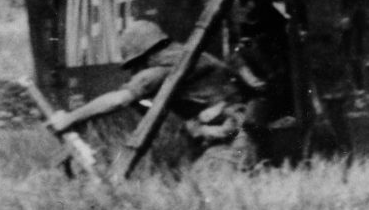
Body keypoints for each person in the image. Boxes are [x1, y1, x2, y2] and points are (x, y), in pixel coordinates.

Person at [46, 19, 264, 167]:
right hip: (241, 136)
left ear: (144, 56)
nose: (136, 71)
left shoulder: (162, 69)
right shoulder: (191, 56)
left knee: (208, 186)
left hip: (233, 143)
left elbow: (118, 100)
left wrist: (70, 118)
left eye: (135, 65)